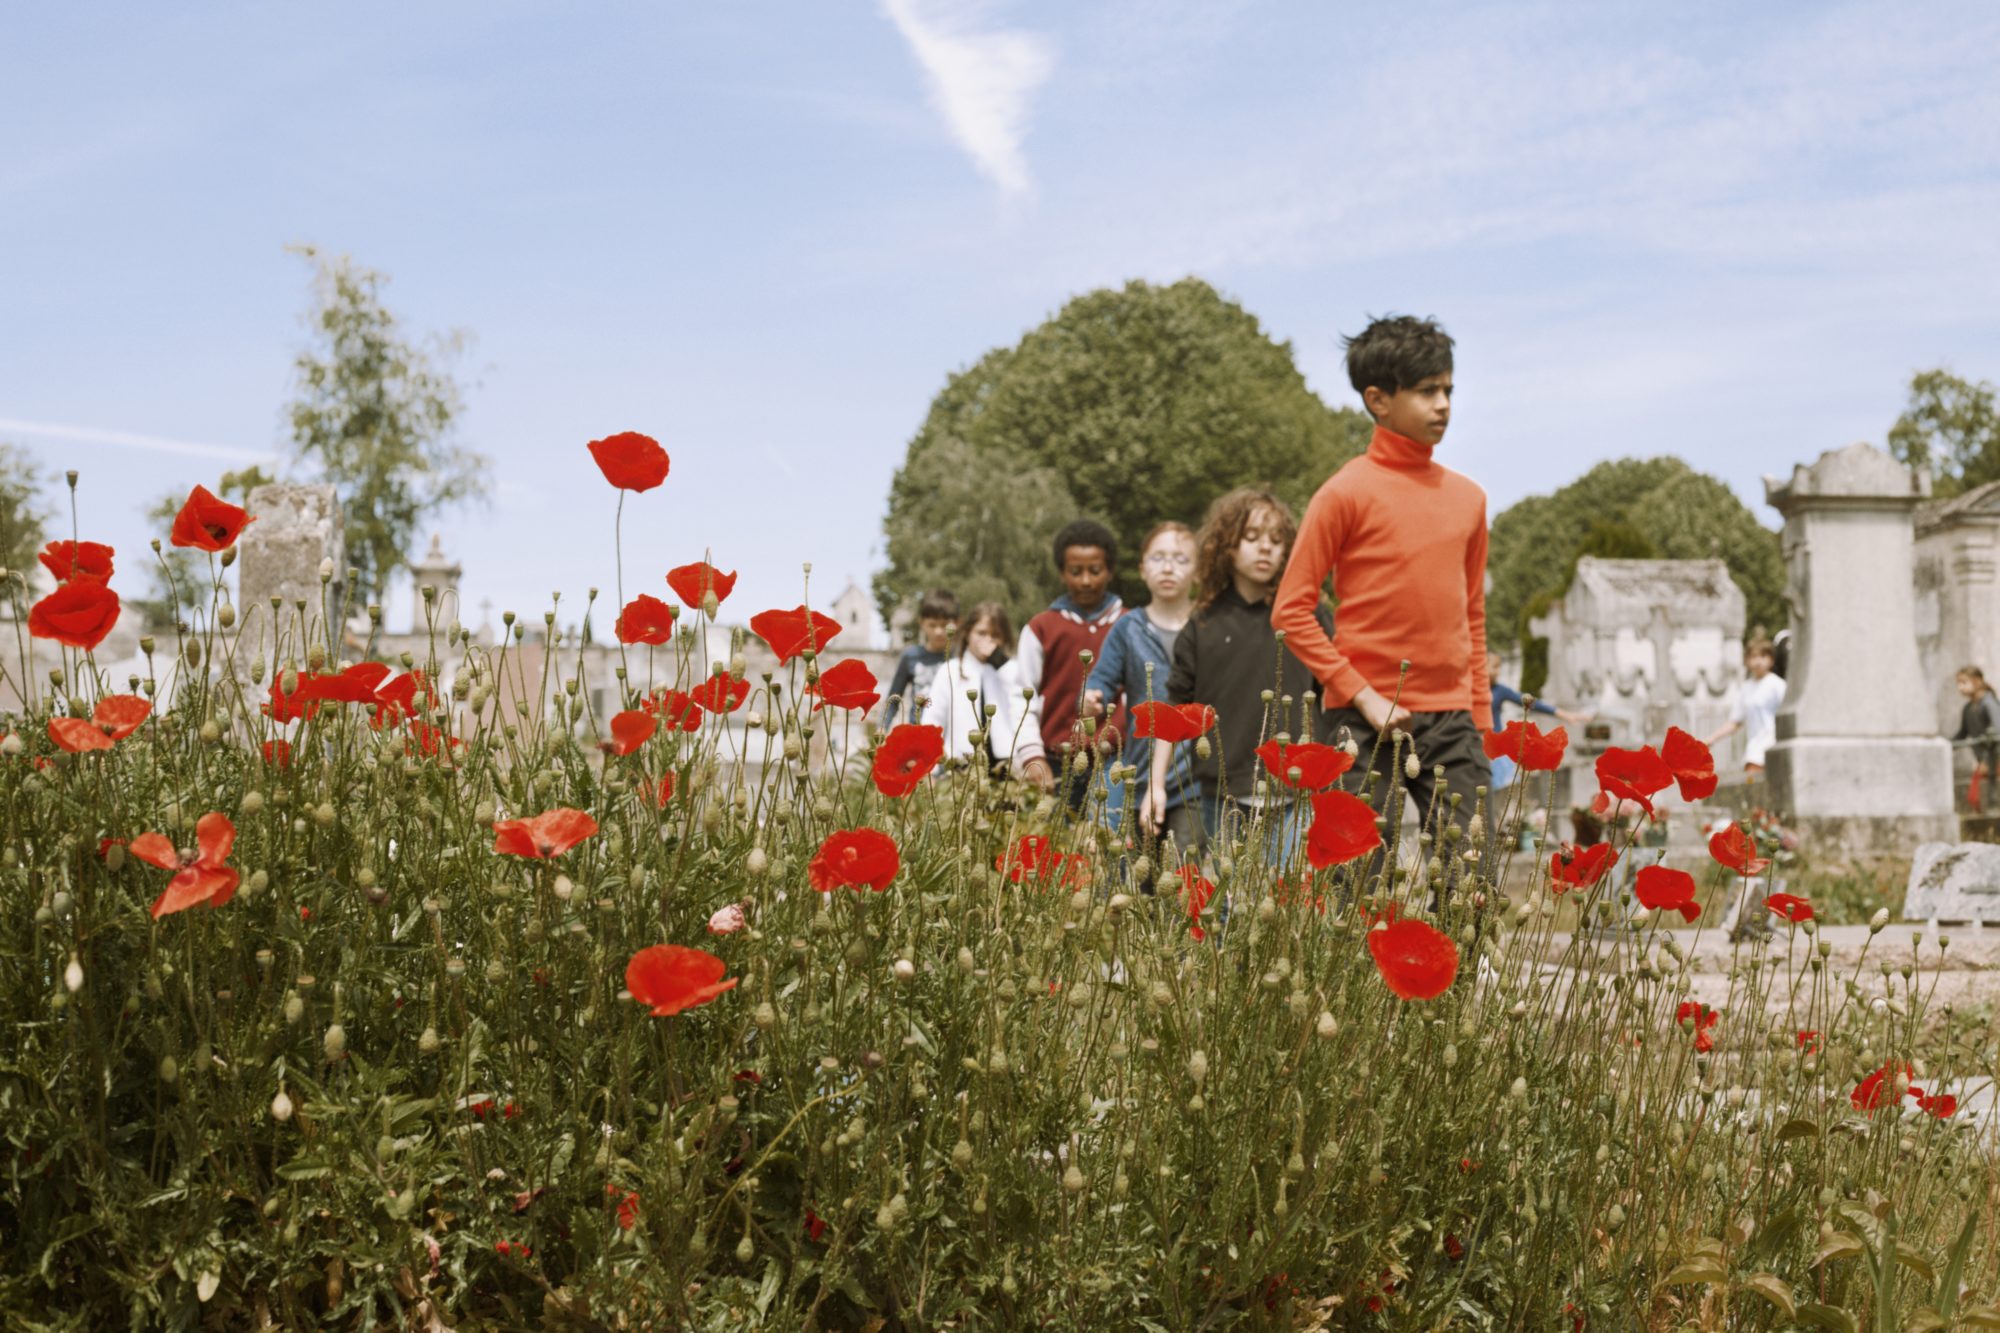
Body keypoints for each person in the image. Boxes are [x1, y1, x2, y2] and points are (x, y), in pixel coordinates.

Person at [1271, 314, 1492, 838]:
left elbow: (1472, 615)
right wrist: (1362, 694)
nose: (1442, 404)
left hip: (1453, 719)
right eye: (1425, 391)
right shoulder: (1342, 494)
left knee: (1474, 889)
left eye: (1447, 390)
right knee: (1357, 888)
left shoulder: (1469, 499)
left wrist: (1480, 719)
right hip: (1361, 718)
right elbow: (1291, 611)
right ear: (1378, 400)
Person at [1142, 488, 1324, 860]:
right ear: (1227, 546)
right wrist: (1155, 783)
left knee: (1284, 903)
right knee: (1228, 908)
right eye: (1252, 537)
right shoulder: (1204, 624)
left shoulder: (1308, 617)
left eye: (1276, 540)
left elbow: (1333, 697)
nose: (1265, 548)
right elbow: (1175, 707)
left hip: (1295, 793)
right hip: (1222, 793)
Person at [1085, 522, 1200, 853]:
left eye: (1180, 559)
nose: (1168, 567)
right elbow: (1101, 680)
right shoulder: (1128, 628)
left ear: (1197, 571)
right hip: (1137, 772)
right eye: (1158, 558)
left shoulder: (1207, 624)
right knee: (1132, 879)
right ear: (1142, 569)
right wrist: (1091, 698)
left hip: (1193, 779)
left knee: (1184, 876)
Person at [1015, 520, 1126, 808]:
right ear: (1063, 573)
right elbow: (1021, 696)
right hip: (1054, 763)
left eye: (1095, 571)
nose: (1086, 580)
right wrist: (1031, 755)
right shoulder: (1041, 628)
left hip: (1115, 765)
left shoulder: (1129, 624)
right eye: (1076, 572)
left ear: (1110, 571)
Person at [921, 602, 1023, 778]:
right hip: (961, 767)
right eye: (981, 633)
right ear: (968, 633)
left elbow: (1024, 696)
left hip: (1006, 767)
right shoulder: (950, 670)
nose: (988, 640)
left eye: (996, 635)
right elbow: (932, 720)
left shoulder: (1010, 669)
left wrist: (999, 661)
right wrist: (929, 769)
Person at [1486, 650, 1591, 789]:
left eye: (1499, 667)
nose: (1498, 672)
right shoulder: (1470, 690)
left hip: (1496, 750)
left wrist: (1565, 714)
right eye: (1494, 667)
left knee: (1502, 790)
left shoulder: (1500, 690)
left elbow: (1532, 703)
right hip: (1476, 746)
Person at [1704, 637, 1785, 778]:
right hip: (1754, 752)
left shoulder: (1777, 685)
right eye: (1753, 656)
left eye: (1763, 656)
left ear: (1771, 660)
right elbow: (1735, 722)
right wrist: (1710, 739)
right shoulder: (1746, 688)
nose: (1758, 661)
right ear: (1747, 660)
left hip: (1775, 748)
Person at [882, 590, 959, 730]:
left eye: (944, 625)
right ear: (921, 622)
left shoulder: (960, 657)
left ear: (957, 623)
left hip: (950, 735)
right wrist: (882, 728)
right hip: (918, 731)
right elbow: (893, 699)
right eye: (932, 625)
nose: (938, 631)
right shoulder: (910, 656)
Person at [1951, 664, 2000, 810]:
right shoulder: (1968, 709)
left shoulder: (1989, 703)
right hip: (1983, 762)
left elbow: (1996, 732)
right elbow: (1962, 734)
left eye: (1964, 682)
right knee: (1975, 799)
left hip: (1994, 760)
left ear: (1977, 681)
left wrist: (1987, 761)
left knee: (1986, 798)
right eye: (1958, 683)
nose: (1960, 687)